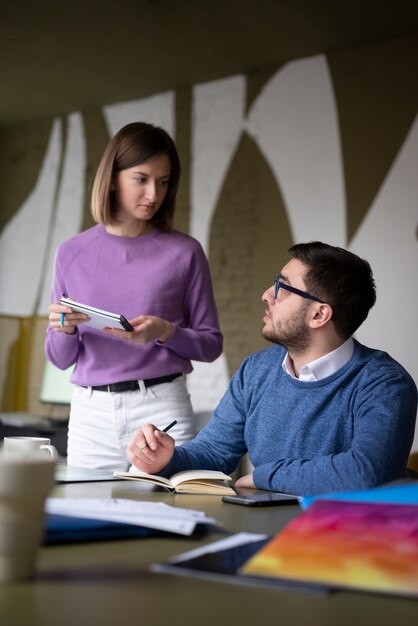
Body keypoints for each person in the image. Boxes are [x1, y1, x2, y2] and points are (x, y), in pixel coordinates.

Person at [127, 241, 418, 496]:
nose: (267, 295)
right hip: (263, 528)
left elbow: (365, 471)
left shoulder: (385, 384)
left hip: (345, 540)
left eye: (282, 287)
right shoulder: (257, 369)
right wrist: (166, 460)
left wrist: (265, 476)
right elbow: (214, 452)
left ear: (319, 314)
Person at [45, 122, 223, 470]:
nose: (153, 194)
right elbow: (60, 358)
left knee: (170, 519)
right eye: (141, 179)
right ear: (112, 178)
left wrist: (165, 332)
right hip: (90, 415)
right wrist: (64, 330)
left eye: (163, 181)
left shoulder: (185, 252)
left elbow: (211, 344)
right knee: (88, 518)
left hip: (161, 409)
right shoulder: (71, 253)